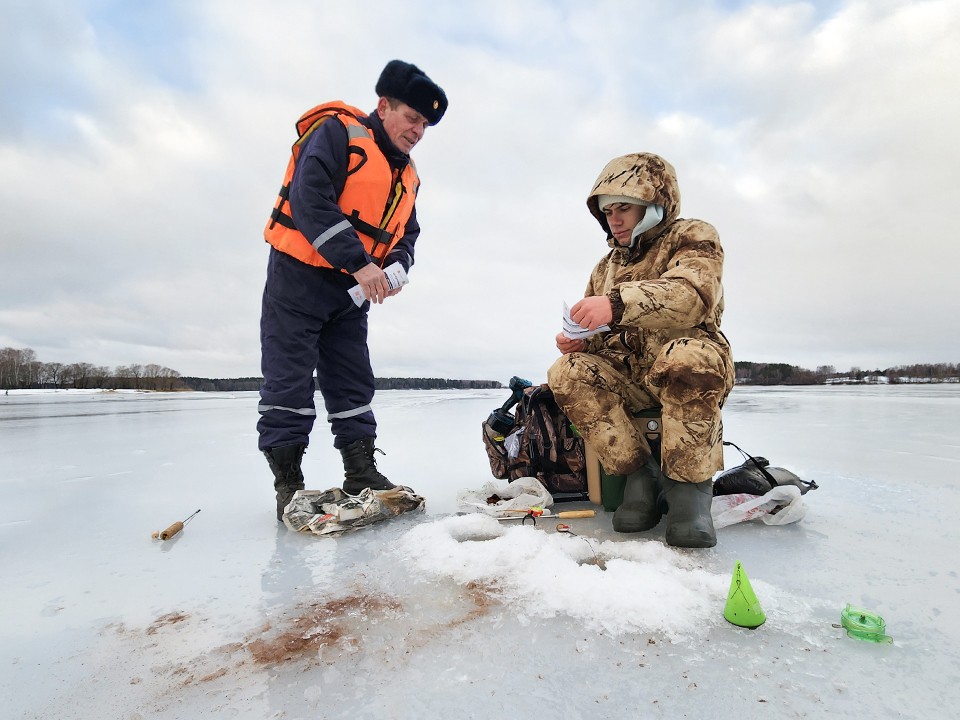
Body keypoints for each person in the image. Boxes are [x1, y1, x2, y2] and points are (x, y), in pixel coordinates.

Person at [258, 60, 448, 520]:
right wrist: (361, 263)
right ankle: (290, 484)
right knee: (288, 381)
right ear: (384, 106)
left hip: (351, 294)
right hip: (299, 280)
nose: (419, 130)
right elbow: (310, 199)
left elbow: (408, 233)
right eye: (412, 118)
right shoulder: (336, 134)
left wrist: (399, 266)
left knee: (352, 380)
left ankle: (360, 471)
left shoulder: (408, 175)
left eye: (425, 124)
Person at [547, 152, 734, 548]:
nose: (613, 219)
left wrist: (616, 304)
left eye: (623, 208)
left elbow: (692, 296)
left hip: (689, 368)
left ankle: (689, 492)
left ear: (653, 205)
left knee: (684, 356)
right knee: (567, 370)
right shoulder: (605, 266)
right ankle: (638, 476)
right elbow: (600, 332)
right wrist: (580, 340)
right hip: (632, 378)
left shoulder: (694, 236)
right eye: (607, 210)